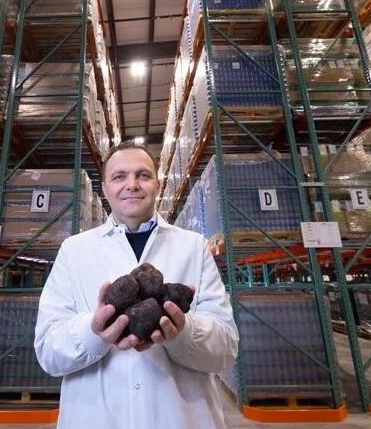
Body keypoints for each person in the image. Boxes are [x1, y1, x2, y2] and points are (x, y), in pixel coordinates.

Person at [34, 141, 239, 429]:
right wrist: (93, 333)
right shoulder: (74, 250)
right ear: (105, 189)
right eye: (119, 177)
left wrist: (184, 332)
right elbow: (48, 352)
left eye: (143, 175)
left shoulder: (193, 246)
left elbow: (226, 348)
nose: (132, 184)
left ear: (157, 185)